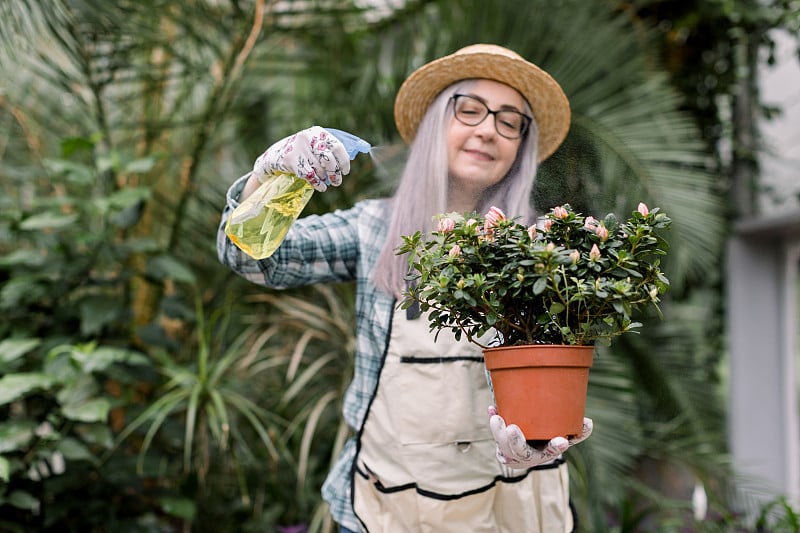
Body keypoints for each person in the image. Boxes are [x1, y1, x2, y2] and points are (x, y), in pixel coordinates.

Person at [218, 44, 593, 533]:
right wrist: (272, 175)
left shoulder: (542, 253)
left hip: (511, 509)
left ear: (521, 146)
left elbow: (554, 378)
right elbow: (249, 260)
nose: (486, 130)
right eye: (471, 109)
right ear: (439, 123)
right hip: (387, 508)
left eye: (509, 121)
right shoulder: (374, 229)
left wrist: (538, 444)